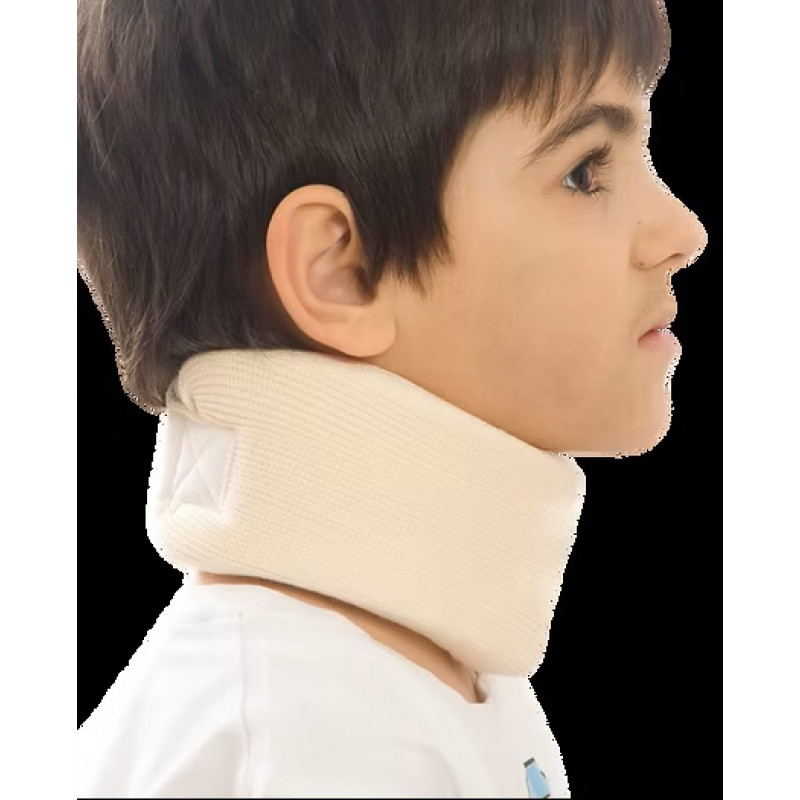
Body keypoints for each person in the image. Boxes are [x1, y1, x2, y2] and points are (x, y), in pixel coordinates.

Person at [76, 0, 707, 796]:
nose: (683, 232)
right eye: (585, 172)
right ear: (341, 269)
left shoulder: (412, 679)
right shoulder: (318, 735)